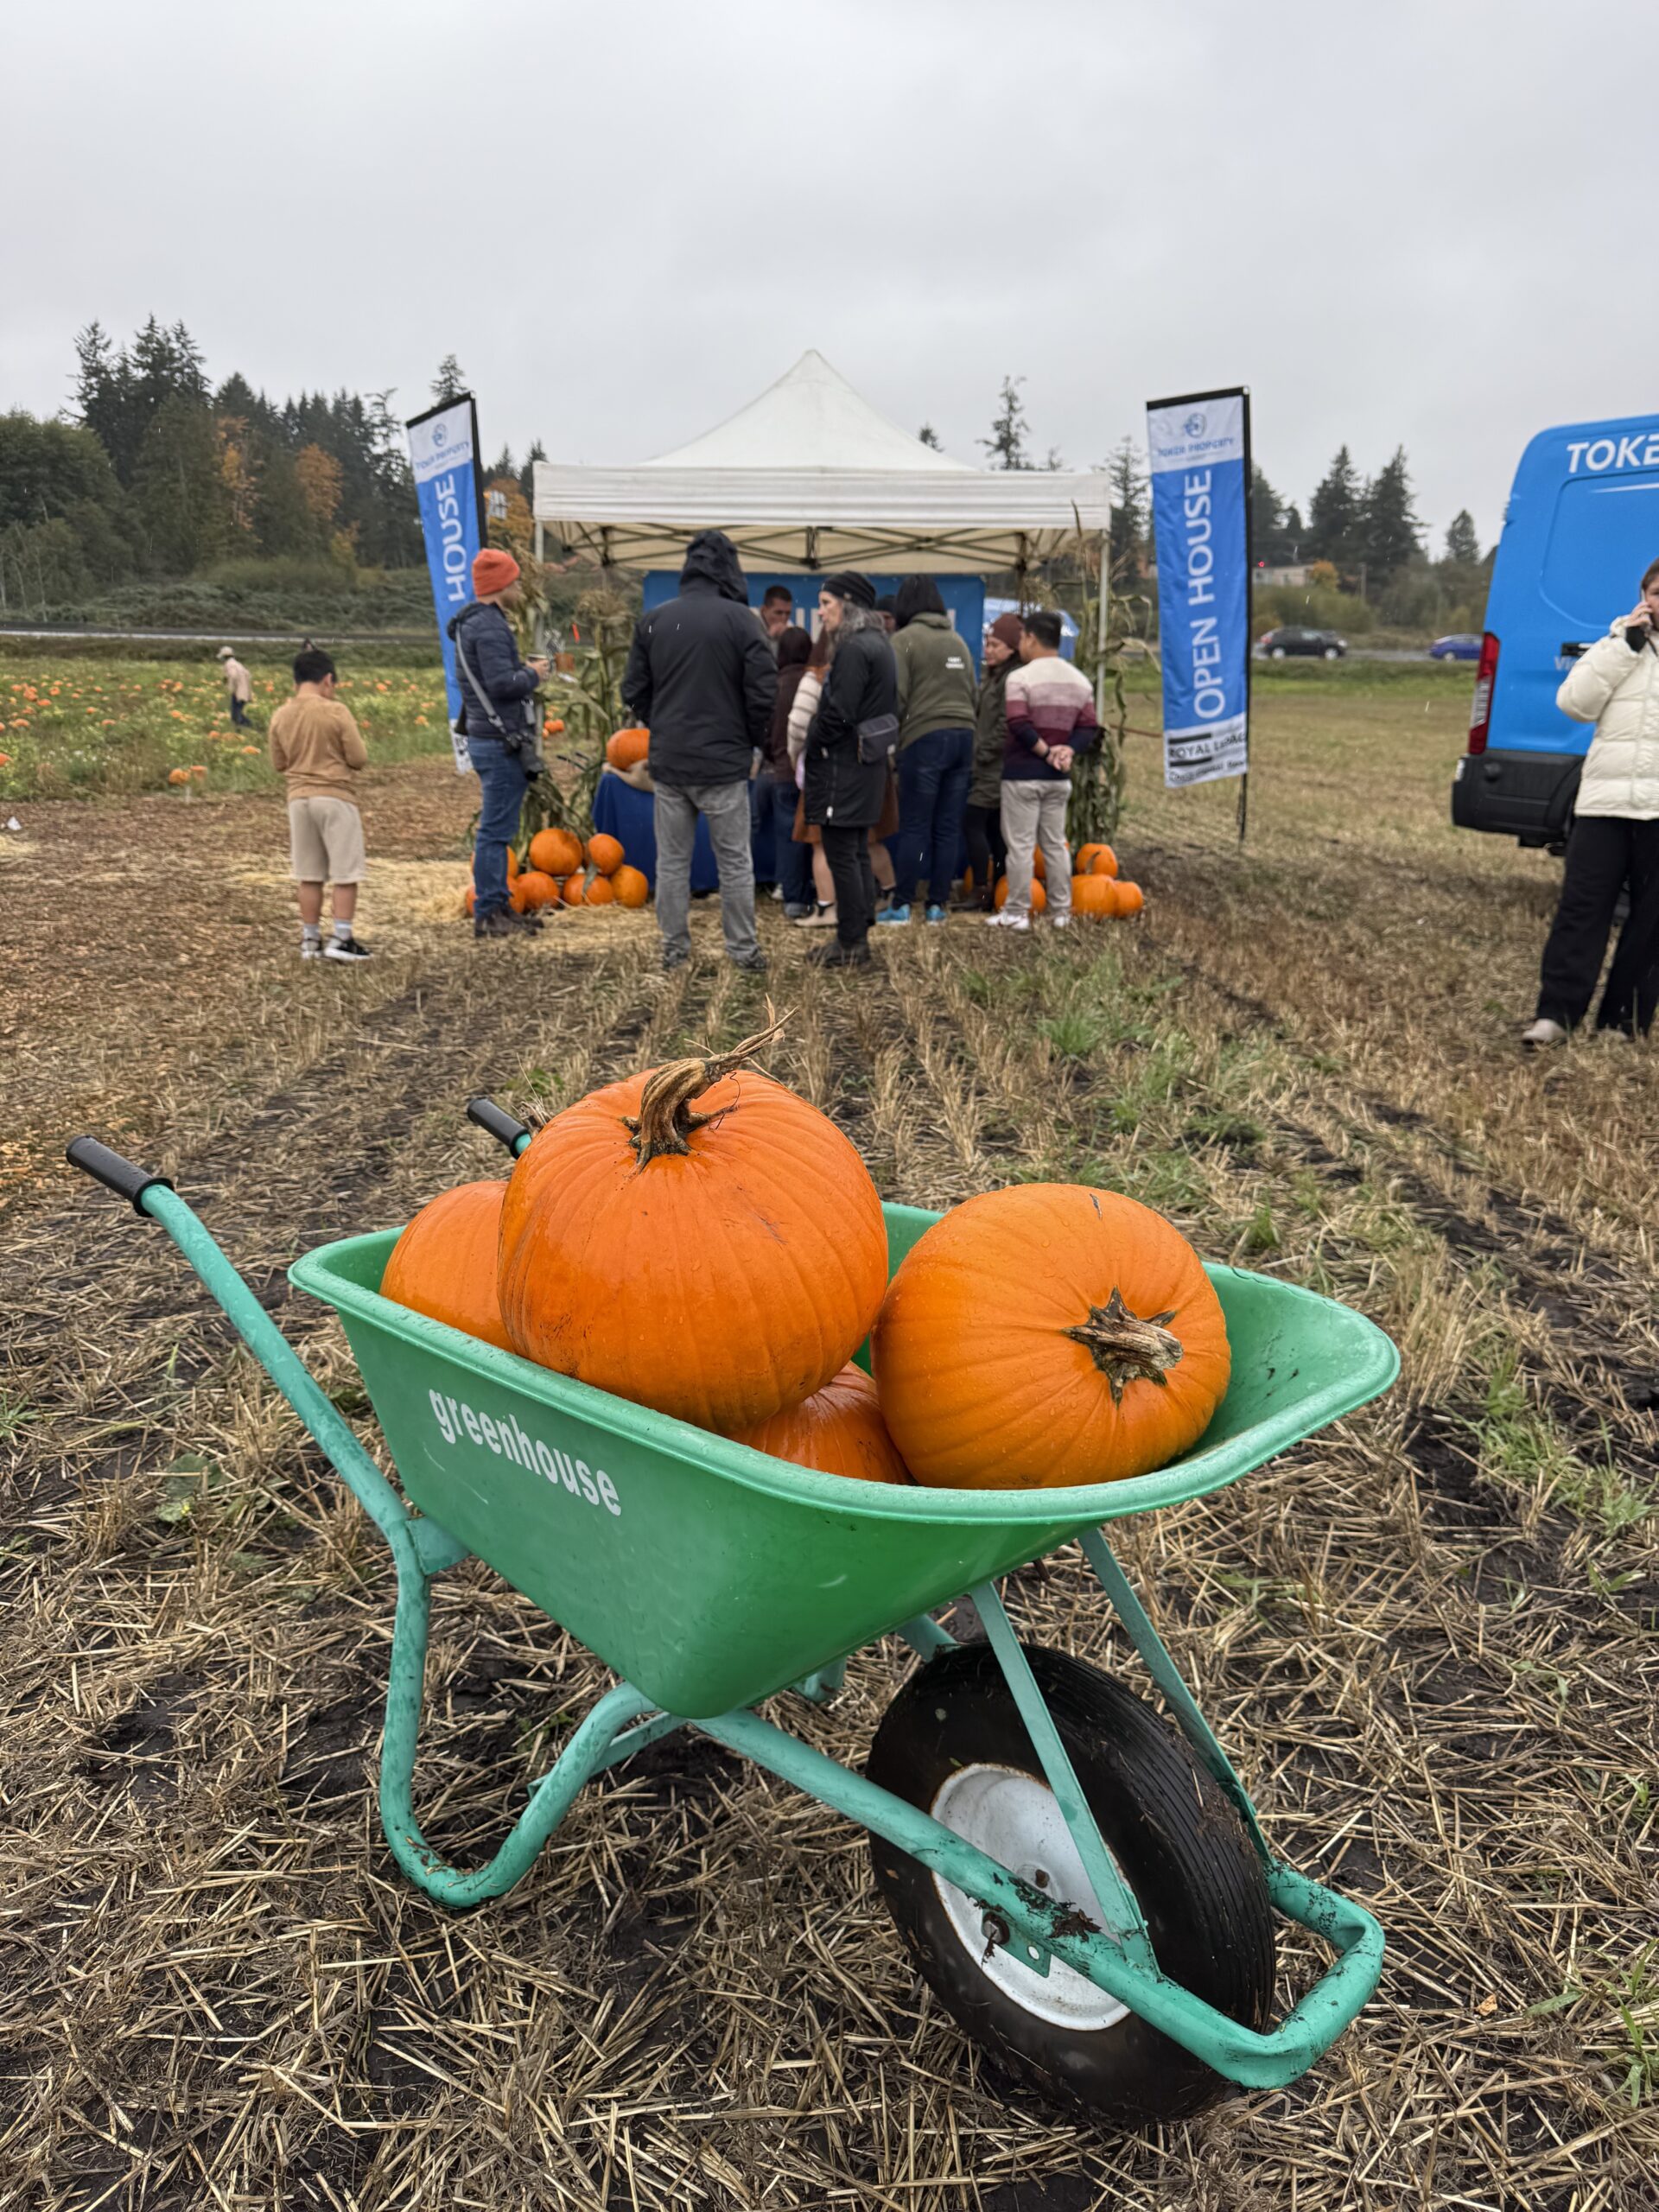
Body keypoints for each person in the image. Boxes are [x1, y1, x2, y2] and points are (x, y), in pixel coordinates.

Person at [622, 530, 777, 971]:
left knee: (672, 863)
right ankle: (743, 951)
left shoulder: (654, 620)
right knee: (735, 862)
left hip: (671, 762)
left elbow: (632, 691)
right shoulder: (743, 620)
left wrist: (662, 723)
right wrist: (750, 739)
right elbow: (764, 692)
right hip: (725, 763)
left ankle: (674, 952)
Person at [1522, 558, 1659, 1044]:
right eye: (1657, 593)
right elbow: (1574, 704)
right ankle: (1556, 1016)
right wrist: (1626, 647)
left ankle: (1622, 1022)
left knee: (1651, 922)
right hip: (1603, 806)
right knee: (1581, 910)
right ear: (1643, 597)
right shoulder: (1614, 646)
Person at [448, 547, 549, 941]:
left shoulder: (472, 624)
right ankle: (490, 911)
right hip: (499, 740)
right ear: (500, 584)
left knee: (498, 829)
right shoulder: (489, 627)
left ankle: (499, 905)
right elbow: (502, 684)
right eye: (515, 581)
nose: (520, 588)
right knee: (494, 832)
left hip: (487, 737)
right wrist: (533, 674)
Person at [802, 572, 898, 966]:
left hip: (843, 766)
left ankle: (851, 942)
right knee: (855, 851)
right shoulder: (880, 643)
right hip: (866, 764)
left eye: (826, 603)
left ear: (848, 604)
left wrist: (813, 740)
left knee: (843, 853)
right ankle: (857, 931)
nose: (821, 612)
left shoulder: (855, 648)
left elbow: (840, 712)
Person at [991, 609, 1098, 932]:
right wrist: (1067, 750)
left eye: (1023, 637)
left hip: (1023, 775)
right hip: (1058, 778)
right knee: (1055, 843)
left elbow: (1018, 723)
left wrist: (1045, 751)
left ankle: (1017, 911)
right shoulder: (1079, 680)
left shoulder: (1020, 678)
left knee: (1021, 847)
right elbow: (1088, 726)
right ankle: (1061, 911)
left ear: (1031, 638)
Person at [882, 575, 976, 926]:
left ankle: (902, 905)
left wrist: (892, 741)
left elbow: (896, 696)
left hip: (923, 739)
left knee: (916, 825)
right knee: (948, 827)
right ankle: (937, 906)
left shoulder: (904, 640)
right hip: (964, 737)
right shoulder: (958, 641)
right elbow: (974, 693)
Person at [268, 647, 371, 963]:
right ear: (327, 680)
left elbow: (279, 763)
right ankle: (342, 937)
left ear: (296, 681)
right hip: (335, 796)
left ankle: (310, 939)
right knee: (345, 872)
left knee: (309, 873)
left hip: (298, 799)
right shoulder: (336, 711)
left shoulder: (281, 714)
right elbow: (358, 758)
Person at [964, 613, 1021, 908]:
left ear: (1012, 649)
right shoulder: (993, 676)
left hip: (995, 766)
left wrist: (982, 753)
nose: (988, 650)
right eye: (987, 643)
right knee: (995, 829)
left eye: (996, 645)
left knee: (972, 820)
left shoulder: (1011, 679)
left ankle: (983, 888)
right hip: (987, 764)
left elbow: (1006, 725)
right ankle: (998, 886)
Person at [763, 625, 815, 916]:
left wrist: (774, 754)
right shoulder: (814, 684)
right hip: (812, 773)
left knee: (788, 836)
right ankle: (817, 892)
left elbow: (764, 731)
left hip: (783, 771)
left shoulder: (775, 685)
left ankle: (794, 897)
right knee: (814, 836)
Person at [217, 645, 254, 728]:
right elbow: (248, 674)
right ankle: (247, 727)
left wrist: (230, 686)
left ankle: (248, 726)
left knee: (235, 715)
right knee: (237, 713)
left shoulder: (229, 664)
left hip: (238, 692)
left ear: (224, 657)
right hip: (243, 692)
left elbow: (233, 676)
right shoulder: (237, 664)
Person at [759, 585, 794, 651]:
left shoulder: (790, 627)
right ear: (764, 610)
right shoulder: (752, 627)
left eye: (788, 613)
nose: (784, 618)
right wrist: (769, 637)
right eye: (779, 613)